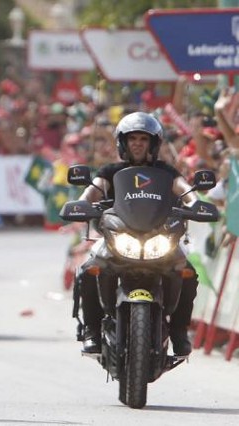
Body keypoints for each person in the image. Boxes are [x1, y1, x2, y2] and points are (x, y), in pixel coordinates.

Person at [76, 112, 199, 356]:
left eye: (144, 139)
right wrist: (80, 204)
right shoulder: (110, 171)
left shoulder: (166, 172)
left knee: (187, 273)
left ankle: (179, 332)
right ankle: (91, 330)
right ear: (123, 143)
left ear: (153, 144)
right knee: (89, 269)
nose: (138, 144)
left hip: (158, 239)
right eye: (132, 138)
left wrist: (195, 203)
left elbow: (185, 191)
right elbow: (93, 192)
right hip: (118, 240)